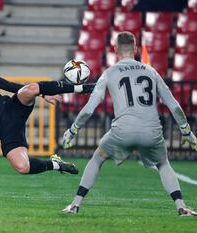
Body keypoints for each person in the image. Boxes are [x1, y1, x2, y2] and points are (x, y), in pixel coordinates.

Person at [61, 31, 197, 216]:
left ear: (115, 49)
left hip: (122, 131)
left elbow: (88, 109)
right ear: (136, 49)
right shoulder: (151, 71)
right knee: (163, 163)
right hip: (152, 131)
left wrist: (72, 130)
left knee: (98, 157)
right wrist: (186, 131)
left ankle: (75, 205)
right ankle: (181, 207)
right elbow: (174, 106)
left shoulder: (109, 73)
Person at [0, 51, 95, 177]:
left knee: (31, 88)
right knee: (22, 167)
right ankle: (56, 164)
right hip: (6, 131)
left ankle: (81, 89)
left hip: (12, 108)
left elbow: (10, 86)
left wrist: (42, 94)